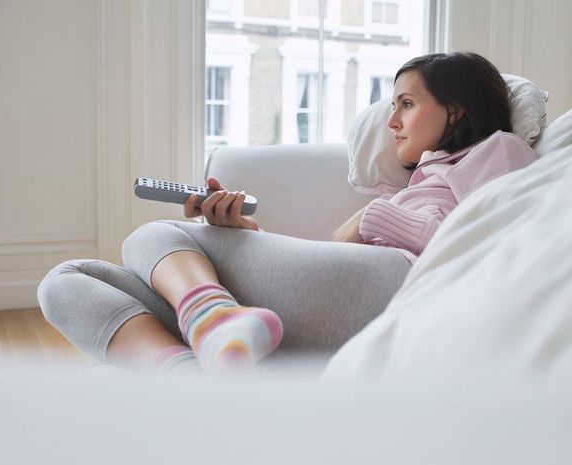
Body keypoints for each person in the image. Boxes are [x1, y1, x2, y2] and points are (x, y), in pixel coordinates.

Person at [37, 52, 538, 376]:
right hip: (349, 293)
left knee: (153, 234)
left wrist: (375, 218)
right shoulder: (423, 178)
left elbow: (487, 242)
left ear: (456, 110)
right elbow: (333, 258)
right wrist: (243, 234)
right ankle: (191, 373)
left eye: (407, 104)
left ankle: (214, 320)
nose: (392, 122)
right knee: (69, 280)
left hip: (395, 289)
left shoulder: (501, 149)